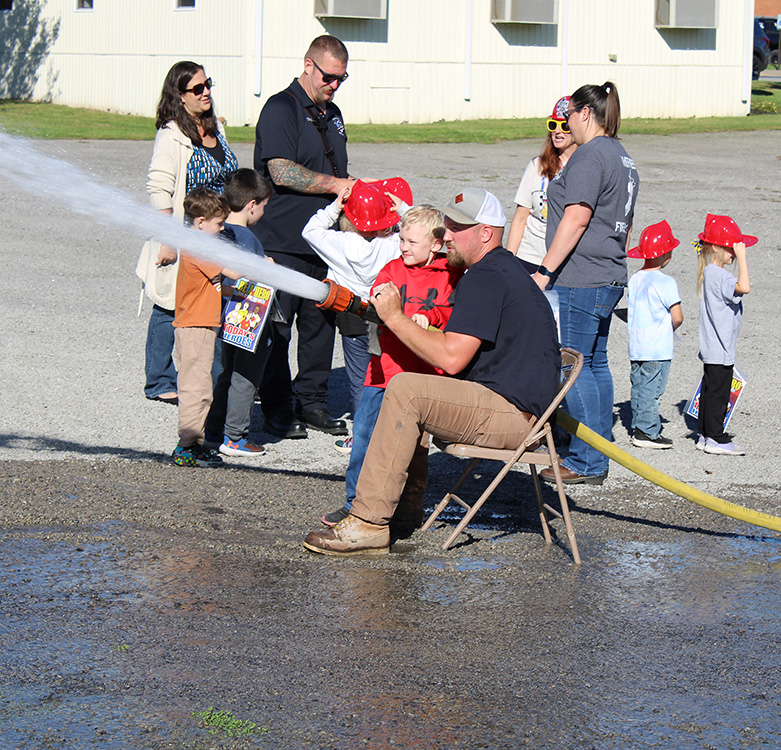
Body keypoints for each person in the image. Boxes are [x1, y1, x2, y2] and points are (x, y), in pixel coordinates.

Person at [303, 188, 560, 556]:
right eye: (448, 225)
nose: (448, 234)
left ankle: (368, 522)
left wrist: (393, 316)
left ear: (485, 233)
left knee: (408, 389)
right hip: (515, 408)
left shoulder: (485, 276)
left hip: (514, 416)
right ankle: (404, 510)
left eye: (458, 227)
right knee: (418, 391)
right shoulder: (501, 269)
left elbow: (453, 359)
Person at [317, 205, 464, 527]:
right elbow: (377, 296)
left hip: (423, 380)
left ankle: (408, 508)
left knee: (414, 450)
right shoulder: (391, 270)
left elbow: (457, 317)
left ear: (436, 245)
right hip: (381, 374)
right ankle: (355, 503)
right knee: (365, 441)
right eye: (402, 240)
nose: (404, 247)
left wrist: (434, 318)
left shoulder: (450, 277)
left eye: (412, 242)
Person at [532, 82, 639, 485]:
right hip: (607, 271)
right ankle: (596, 454)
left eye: (570, 115)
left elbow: (576, 217)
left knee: (573, 365)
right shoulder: (622, 156)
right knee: (594, 364)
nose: (566, 123)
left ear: (585, 114)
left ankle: (585, 460)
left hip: (582, 275)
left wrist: (544, 270)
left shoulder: (591, 156)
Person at [252, 35, 356, 440]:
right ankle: (277, 409)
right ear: (309, 65)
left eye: (342, 79)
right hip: (281, 239)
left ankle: (312, 402)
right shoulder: (281, 107)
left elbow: (341, 175)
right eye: (329, 76)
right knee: (277, 329)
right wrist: (337, 185)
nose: (334, 85)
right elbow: (280, 170)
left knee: (319, 327)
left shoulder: (333, 114)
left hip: (323, 242)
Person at [139, 61, 238, 405]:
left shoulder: (215, 129)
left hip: (214, 231)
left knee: (207, 300)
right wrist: (168, 236)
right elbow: (159, 188)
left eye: (207, 84)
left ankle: (204, 376)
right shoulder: (171, 135)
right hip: (183, 232)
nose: (206, 91)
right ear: (179, 96)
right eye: (197, 88)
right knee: (169, 306)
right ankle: (159, 379)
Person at [302, 179, 412, 425]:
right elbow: (416, 233)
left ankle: (361, 435)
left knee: (359, 378)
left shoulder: (338, 243)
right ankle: (386, 431)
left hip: (351, 315)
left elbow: (310, 230)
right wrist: (403, 210)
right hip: (383, 313)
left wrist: (334, 207)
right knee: (386, 374)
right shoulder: (392, 246)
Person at [204, 169, 275, 457]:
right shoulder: (248, 239)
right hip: (249, 325)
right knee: (245, 377)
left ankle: (212, 432)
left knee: (222, 374)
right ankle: (235, 437)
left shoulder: (219, 233)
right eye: (263, 208)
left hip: (222, 320)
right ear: (252, 205)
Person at [171, 188, 233, 468]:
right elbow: (234, 270)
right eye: (219, 224)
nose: (222, 229)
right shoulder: (198, 247)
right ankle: (185, 447)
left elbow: (219, 284)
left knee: (202, 387)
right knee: (195, 389)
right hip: (195, 327)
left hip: (202, 326)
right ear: (200, 223)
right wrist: (262, 265)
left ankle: (197, 444)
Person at [695, 213, 753, 455]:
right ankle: (716, 438)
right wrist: (743, 259)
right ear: (717, 247)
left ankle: (705, 434)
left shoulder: (709, 271)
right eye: (730, 249)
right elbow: (745, 287)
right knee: (719, 395)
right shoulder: (721, 275)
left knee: (709, 392)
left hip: (711, 347)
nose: (733, 253)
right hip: (721, 349)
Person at [626, 220, 683, 449]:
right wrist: (671, 328)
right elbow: (677, 316)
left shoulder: (636, 278)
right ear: (665, 254)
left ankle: (639, 425)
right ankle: (647, 431)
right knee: (653, 390)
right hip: (657, 349)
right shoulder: (667, 282)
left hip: (637, 347)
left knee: (639, 387)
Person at [506, 96, 578, 274]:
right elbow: (521, 217)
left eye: (565, 126)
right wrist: (508, 260)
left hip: (563, 261)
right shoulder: (537, 166)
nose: (558, 132)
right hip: (528, 257)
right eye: (553, 125)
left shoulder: (584, 168)